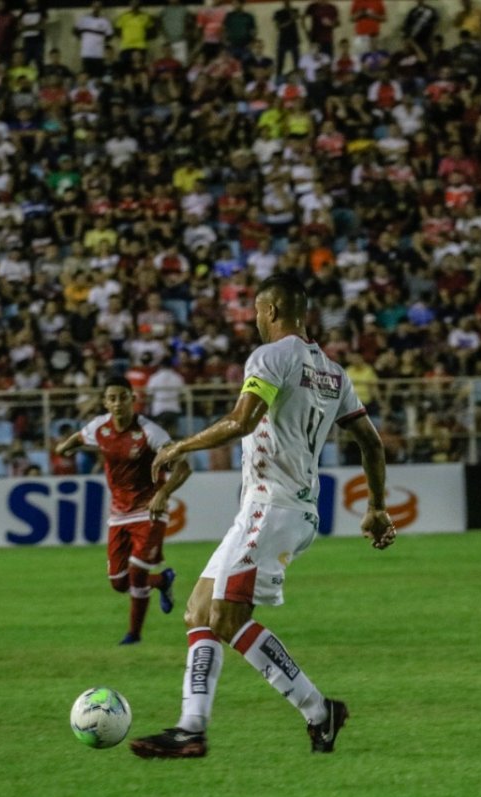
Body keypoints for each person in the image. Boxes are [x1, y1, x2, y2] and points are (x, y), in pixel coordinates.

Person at [128, 274, 396, 760]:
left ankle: (318, 710)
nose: (254, 320)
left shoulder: (271, 356)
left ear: (270, 310)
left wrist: (179, 445)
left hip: (272, 507)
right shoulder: (333, 372)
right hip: (281, 507)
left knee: (227, 617)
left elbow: (241, 421)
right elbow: (371, 443)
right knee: (199, 611)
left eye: (256, 312)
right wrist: (376, 507)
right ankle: (192, 727)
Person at [55, 375, 191, 645]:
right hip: (118, 514)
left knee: (137, 571)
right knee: (118, 582)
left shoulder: (150, 433)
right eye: (112, 398)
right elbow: (79, 437)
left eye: (123, 397)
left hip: (149, 510)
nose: (118, 403)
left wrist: (163, 493)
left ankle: (134, 635)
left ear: (133, 399)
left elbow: (183, 467)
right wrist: (64, 448)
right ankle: (162, 580)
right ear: (105, 402)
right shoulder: (99, 427)